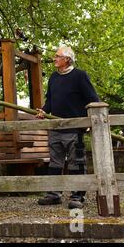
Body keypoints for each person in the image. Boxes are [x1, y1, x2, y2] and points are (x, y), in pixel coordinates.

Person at [35, 46, 99, 209]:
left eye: (57, 56)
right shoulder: (53, 78)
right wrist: (44, 110)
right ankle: (53, 194)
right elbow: (50, 100)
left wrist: (89, 121)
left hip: (74, 129)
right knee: (55, 162)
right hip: (56, 128)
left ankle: (77, 196)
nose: (54, 58)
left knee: (76, 162)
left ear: (67, 60)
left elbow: (93, 99)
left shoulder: (80, 76)